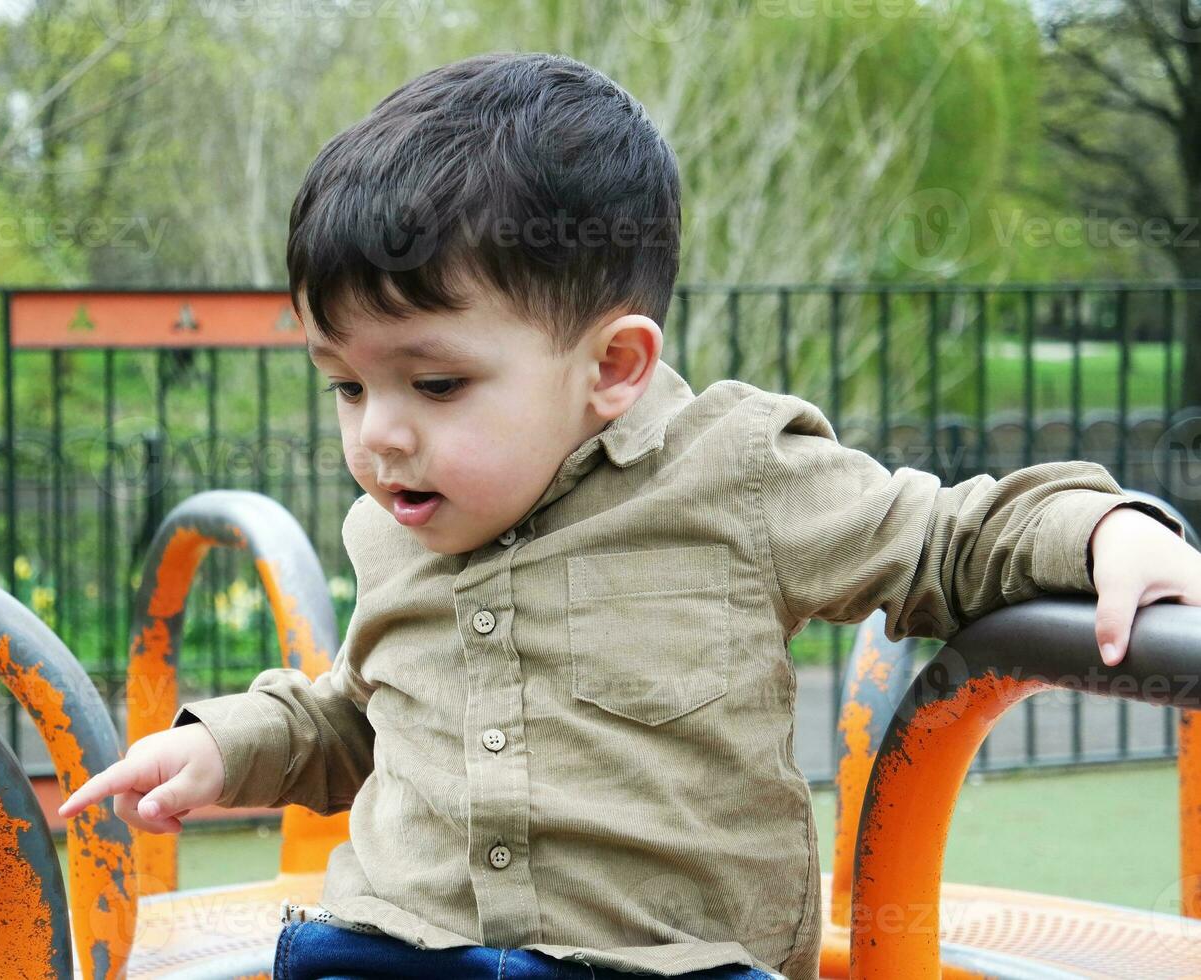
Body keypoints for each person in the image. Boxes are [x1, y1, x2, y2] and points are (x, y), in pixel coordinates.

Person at [59, 51, 1201, 980]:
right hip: (402, 952)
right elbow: (370, 714)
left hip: (670, 965)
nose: (379, 435)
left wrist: (1109, 527)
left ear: (611, 363)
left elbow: (949, 538)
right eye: (348, 385)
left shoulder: (737, 475)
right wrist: (224, 743)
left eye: (436, 383)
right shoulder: (397, 521)